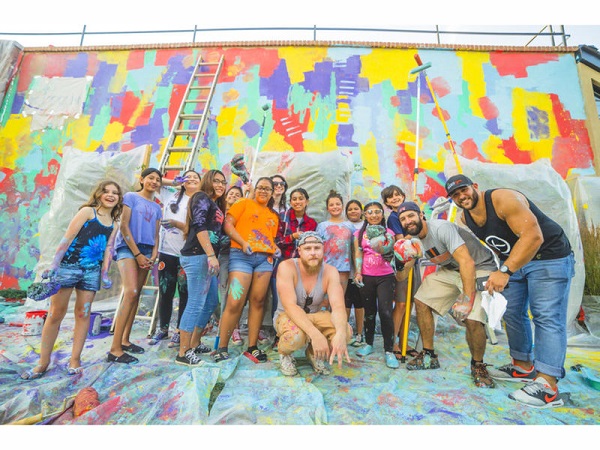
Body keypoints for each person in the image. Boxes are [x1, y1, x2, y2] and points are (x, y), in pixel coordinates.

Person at [446, 175, 575, 407]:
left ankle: (547, 386)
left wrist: (505, 271)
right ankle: (523, 366)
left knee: (546, 316)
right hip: (516, 263)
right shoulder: (465, 218)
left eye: (463, 190)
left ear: (475, 187)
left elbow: (534, 236)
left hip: (549, 257)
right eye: (455, 195)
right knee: (512, 311)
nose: (461, 197)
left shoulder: (503, 199)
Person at [21, 180, 123, 380]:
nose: (111, 195)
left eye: (115, 193)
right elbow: (67, 237)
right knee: (56, 313)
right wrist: (54, 265)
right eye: (107, 191)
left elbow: (108, 249)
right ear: (99, 194)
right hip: (68, 268)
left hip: (91, 272)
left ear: (119, 199)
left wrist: (104, 273)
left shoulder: (115, 223)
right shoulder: (87, 212)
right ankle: (43, 362)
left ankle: (75, 359)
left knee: (83, 314)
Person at [395, 201, 498, 388]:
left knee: (473, 318)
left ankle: (478, 365)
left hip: (479, 267)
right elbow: (401, 277)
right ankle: (428, 355)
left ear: (421, 215)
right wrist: (398, 260)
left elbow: (467, 263)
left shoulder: (441, 228)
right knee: (421, 299)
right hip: (451, 270)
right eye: (403, 219)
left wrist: (466, 300)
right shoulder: (414, 243)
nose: (408, 221)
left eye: (411, 215)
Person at [214, 177, 279, 363]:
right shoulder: (242, 203)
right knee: (235, 301)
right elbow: (227, 225)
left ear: (272, 192)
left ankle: (252, 346)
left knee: (258, 301)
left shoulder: (273, 216)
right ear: (254, 189)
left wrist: (275, 248)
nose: (263, 191)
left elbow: (268, 239)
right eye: (260, 187)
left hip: (264, 260)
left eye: (267, 188)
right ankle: (222, 347)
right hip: (241, 256)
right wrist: (242, 243)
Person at [274, 232, 352, 376]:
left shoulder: (330, 271)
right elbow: (290, 306)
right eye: (308, 248)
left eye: (317, 248)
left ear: (323, 250)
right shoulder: (287, 267)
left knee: (345, 330)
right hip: (288, 316)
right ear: (299, 251)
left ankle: (314, 353)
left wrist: (340, 334)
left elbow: (338, 307)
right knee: (296, 336)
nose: (313, 253)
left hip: (315, 316)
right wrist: (316, 335)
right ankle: (284, 353)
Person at [108, 168, 163, 364]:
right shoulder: (131, 197)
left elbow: (156, 234)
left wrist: (154, 254)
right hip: (128, 249)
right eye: (150, 178)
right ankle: (114, 349)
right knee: (130, 292)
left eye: (157, 179)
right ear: (142, 179)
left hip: (147, 252)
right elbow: (124, 225)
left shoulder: (157, 207)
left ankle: (125, 340)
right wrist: (137, 254)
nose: (154, 182)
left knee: (136, 295)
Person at [176, 169, 226, 366]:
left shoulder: (214, 203)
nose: (221, 185)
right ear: (208, 181)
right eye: (216, 181)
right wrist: (211, 255)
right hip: (198, 256)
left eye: (223, 182)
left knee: (211, 301)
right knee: (196, 303)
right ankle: (183, 352)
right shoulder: (201, 197)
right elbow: (199, 226)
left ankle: (194, 343)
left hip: (206, 258)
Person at [148, 170, 202, 348]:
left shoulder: (201, 201)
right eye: (188, 177)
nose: (192, 179)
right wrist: (175, 182)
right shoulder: (171, 195)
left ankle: (180, 331)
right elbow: (156, 181)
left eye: (196, 177)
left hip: (188, 253)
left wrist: (177, 224)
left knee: (185, 293)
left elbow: (198, 228)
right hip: (166, 252)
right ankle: (163, 329)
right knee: (165, 291)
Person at [352, 201, 399, 369]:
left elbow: (394, 254)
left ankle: (389, 350)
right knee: (369, 312)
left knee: (386, 312)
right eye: (370, 212)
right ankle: (369, 343)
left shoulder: (389, 232)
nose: (374, 215)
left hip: (385, 277)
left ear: (382, 214)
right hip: (367, 277)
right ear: (365, 215)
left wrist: (390, 254)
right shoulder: (359, 233)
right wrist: (358, 272)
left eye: (377, 212)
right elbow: (358, 253)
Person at [381, 185, 419, 360]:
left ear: (404, 196)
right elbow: (400, 242)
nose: (395, 198)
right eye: (390, 197)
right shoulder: (394, 218)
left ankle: (404, 340)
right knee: (401, 304)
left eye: (397, 194)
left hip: (415, 263)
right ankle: (393, 343)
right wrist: (415, 234)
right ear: (387, 202)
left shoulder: (412, 212)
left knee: (409, 304)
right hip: (402, 264)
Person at [218, 185, 244, 344]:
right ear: (226, 196)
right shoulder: (219, 213)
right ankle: (222, 325)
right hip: (219, 255)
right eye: (231, 193)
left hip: (236, 256)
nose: (233, 196)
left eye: (237, 195)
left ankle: (234, 329)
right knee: (222, 292)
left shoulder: (241, 214)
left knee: (234, 293)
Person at [316, 190, 355, 292]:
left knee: (339, 299)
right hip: (325, 268)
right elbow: (317, 247)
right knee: (324, 302)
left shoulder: (350, 226)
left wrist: (357, 270)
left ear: (342, 206)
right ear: (327, 208)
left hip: (344, 268)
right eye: (331, 205)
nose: (335, 207)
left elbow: (355, 249)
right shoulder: (322, 226)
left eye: (338, 204)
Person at [344, 199, 366, 347]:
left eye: (356, 208)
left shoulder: (366, 226)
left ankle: (359, 334)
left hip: (363, 272)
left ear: (362, 211)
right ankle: (345, 333)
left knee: (359, 304)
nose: (353, 211)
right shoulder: (345, 226)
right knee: (345, 303)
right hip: (346, 272)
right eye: (350, 209)